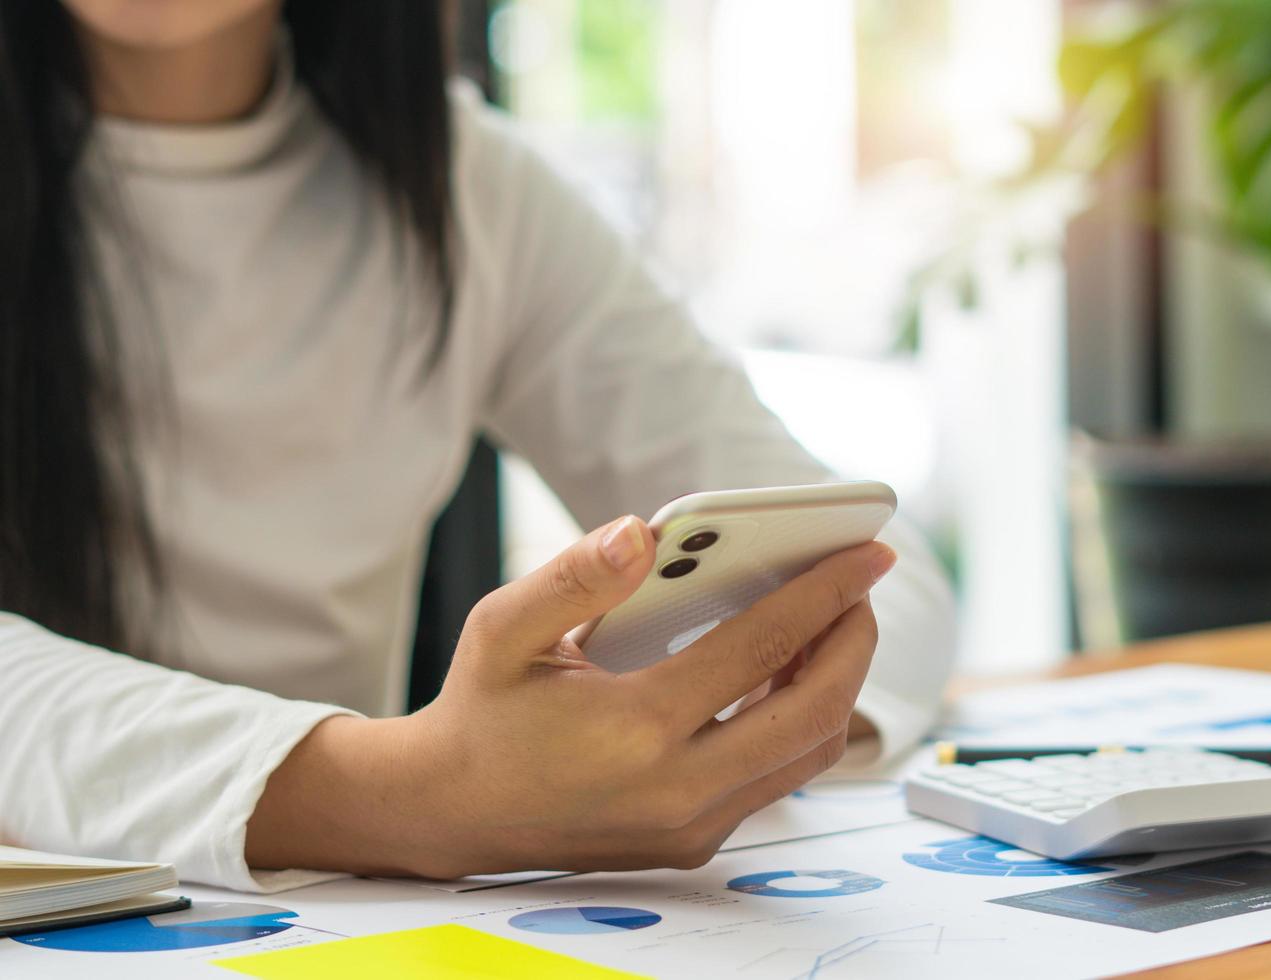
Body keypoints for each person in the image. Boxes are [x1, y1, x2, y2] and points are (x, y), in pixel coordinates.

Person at [0, 1, 954, 892]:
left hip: (337, 930)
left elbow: (876, 563)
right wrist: (403, 793)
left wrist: (691, 741)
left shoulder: (464, 187)